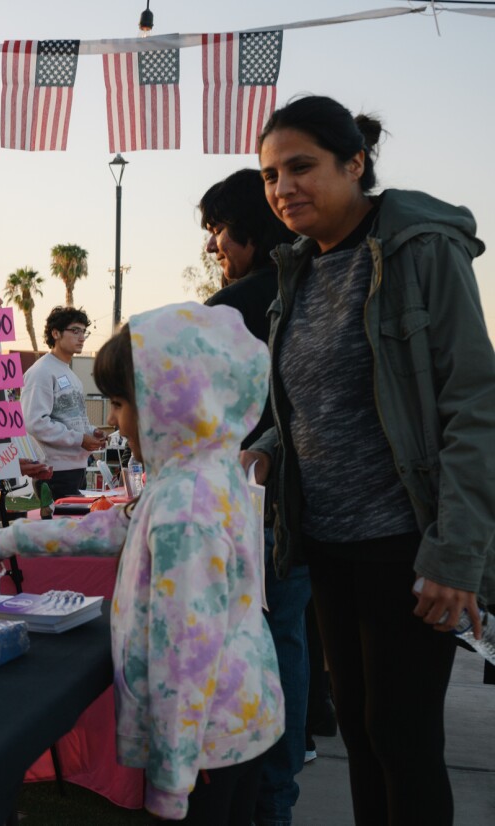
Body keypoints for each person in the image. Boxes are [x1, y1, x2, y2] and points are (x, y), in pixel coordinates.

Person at [249, 95, 495, 826]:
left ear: (354, 163)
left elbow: (474, 404)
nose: (283, 188)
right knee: (358, 730)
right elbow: (312, 406)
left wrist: (455, 556)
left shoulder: (420, 248)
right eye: (268, 176)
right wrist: (261, 452)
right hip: (328, 542)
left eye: (301, 167)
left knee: (403, 736)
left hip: (406, 544)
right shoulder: (298, 270)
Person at [0, 303, 285, 823]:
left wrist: (169, 784)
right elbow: (112, 526)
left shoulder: (184, 506)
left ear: (168, 405)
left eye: (120, 404)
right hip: (235, 716)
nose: (116, 421)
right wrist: (12, 538)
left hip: (201, 742)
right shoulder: (203, 469)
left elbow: (184, 650)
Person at [200, 168, 308, 826]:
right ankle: (282, 785)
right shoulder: (306, 289)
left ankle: (259, 790)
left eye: (219, 228)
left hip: (243, 507)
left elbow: (201, 416)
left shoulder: (232, 307)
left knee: (248, 649)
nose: (215, 244)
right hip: (303, 505)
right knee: (288, 643)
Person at [19, 306, 105, 501]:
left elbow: (71, 420)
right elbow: (34, 423)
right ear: (55, 333)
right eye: (75, 331)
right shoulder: (41, 372)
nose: (81, 337)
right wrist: (80, 439)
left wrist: (92, 432)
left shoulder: (70, 374)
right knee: (59, 530)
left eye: (84, 331)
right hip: (54, 473)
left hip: (76, 469)